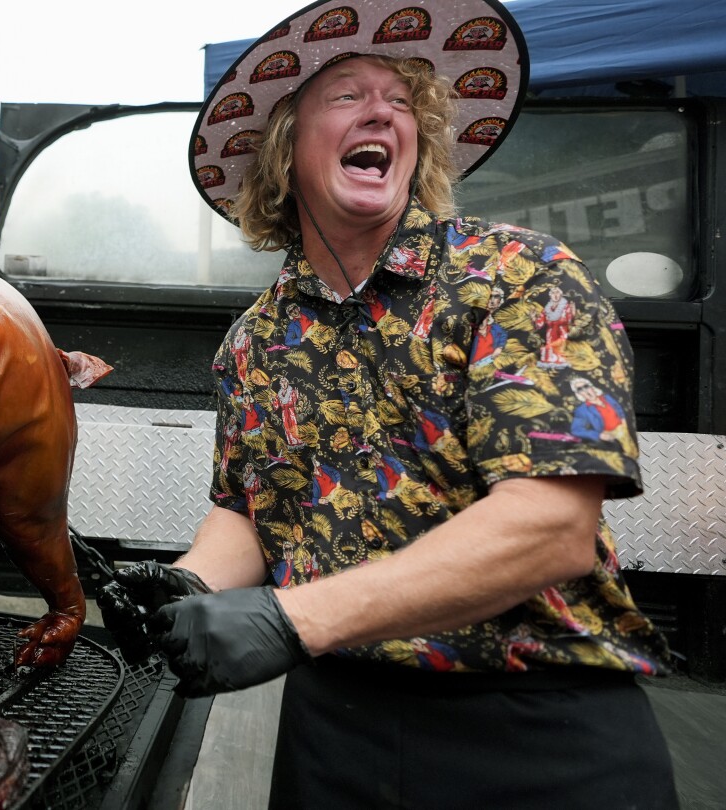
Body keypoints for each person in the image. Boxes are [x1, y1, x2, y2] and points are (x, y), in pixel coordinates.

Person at [98, 0, 679, 806]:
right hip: (336, 730)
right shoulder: (254, 340)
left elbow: (552, 529)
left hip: (542, 729)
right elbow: (250, 511)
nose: (381, 110)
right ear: (284, 149)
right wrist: (188, 587)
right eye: (345, 95)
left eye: (401, 102)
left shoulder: (518, 276)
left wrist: (287, 620)